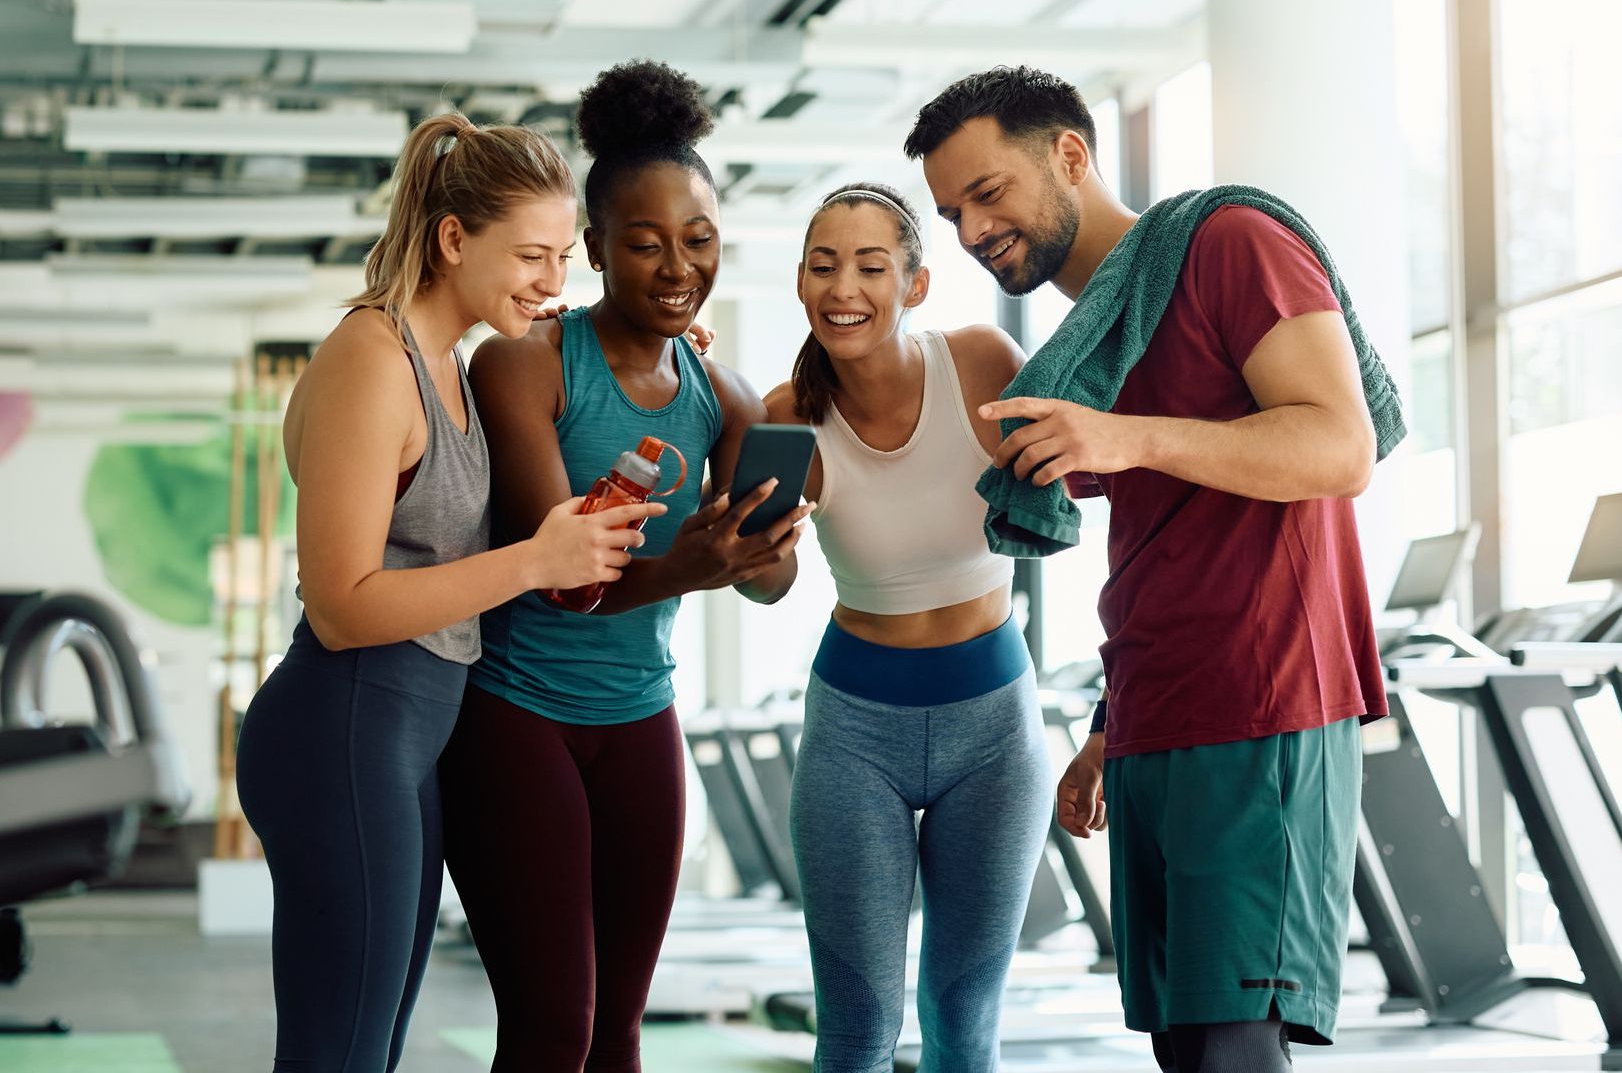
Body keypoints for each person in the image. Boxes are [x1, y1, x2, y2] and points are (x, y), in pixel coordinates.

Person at [904, 67, 1399, 1073]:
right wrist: (1105, 727)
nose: (970, 229)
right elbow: (1166, 544)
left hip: (1263, 700)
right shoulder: (1104, 333)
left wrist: (1122, 437)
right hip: (1157, 710)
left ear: (1070, 157)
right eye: (952, 211)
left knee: (1229, 1046)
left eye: (988, 192)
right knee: (1182, 1044)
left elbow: (1337, 444)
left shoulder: (1228, 243)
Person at [235, 112, 665, 1073]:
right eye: (532, 256)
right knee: (337, 1054)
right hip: (343, 723)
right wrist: (533, 562)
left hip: (407, 735)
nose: (554, 282)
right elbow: (342, 604)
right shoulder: (371, 361)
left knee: (371, 1050)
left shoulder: (454, 365)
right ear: (453, 239)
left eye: (563, 258)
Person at [438, 60, 809, 1073]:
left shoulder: (723, 394)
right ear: (592, 248)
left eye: (698, 241)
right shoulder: (521, 362)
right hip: (515, 717)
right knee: (551, 1028)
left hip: (639, 717)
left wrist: (769, 539)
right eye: (643, 243)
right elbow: (554, 566)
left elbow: (763, 580)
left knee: (617, 1035)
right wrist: (688, 566)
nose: (676, 266)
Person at [759, 181, 1051, 1073]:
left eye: (870, 266)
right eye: (823, 266)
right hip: (854, 731)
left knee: (964, 1015)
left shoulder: (980, 361)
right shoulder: (784, 416)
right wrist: (747, 540)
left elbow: (1055, 496)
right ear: (802, 285)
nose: (844, 286)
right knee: (856, 1025)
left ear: (914, 284)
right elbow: (767, 587)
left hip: (994, 725)